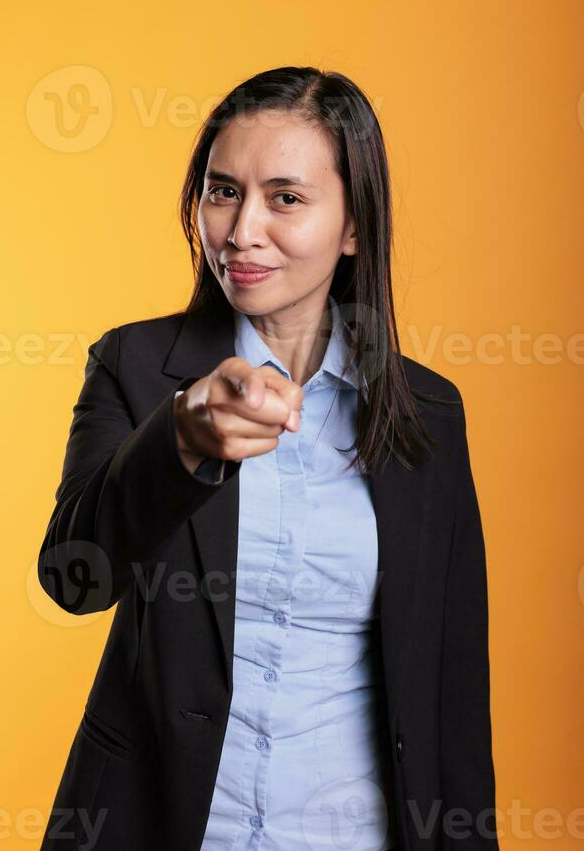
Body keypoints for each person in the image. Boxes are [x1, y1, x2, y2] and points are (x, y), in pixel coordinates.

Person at [38, 66, 499, 851]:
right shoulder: (137, 365)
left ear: (353, 227)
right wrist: (178, 442)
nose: (243, 229)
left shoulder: (430, 414)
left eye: (286, 198)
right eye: (223, 192)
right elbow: (73, 579)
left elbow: (452, 691)